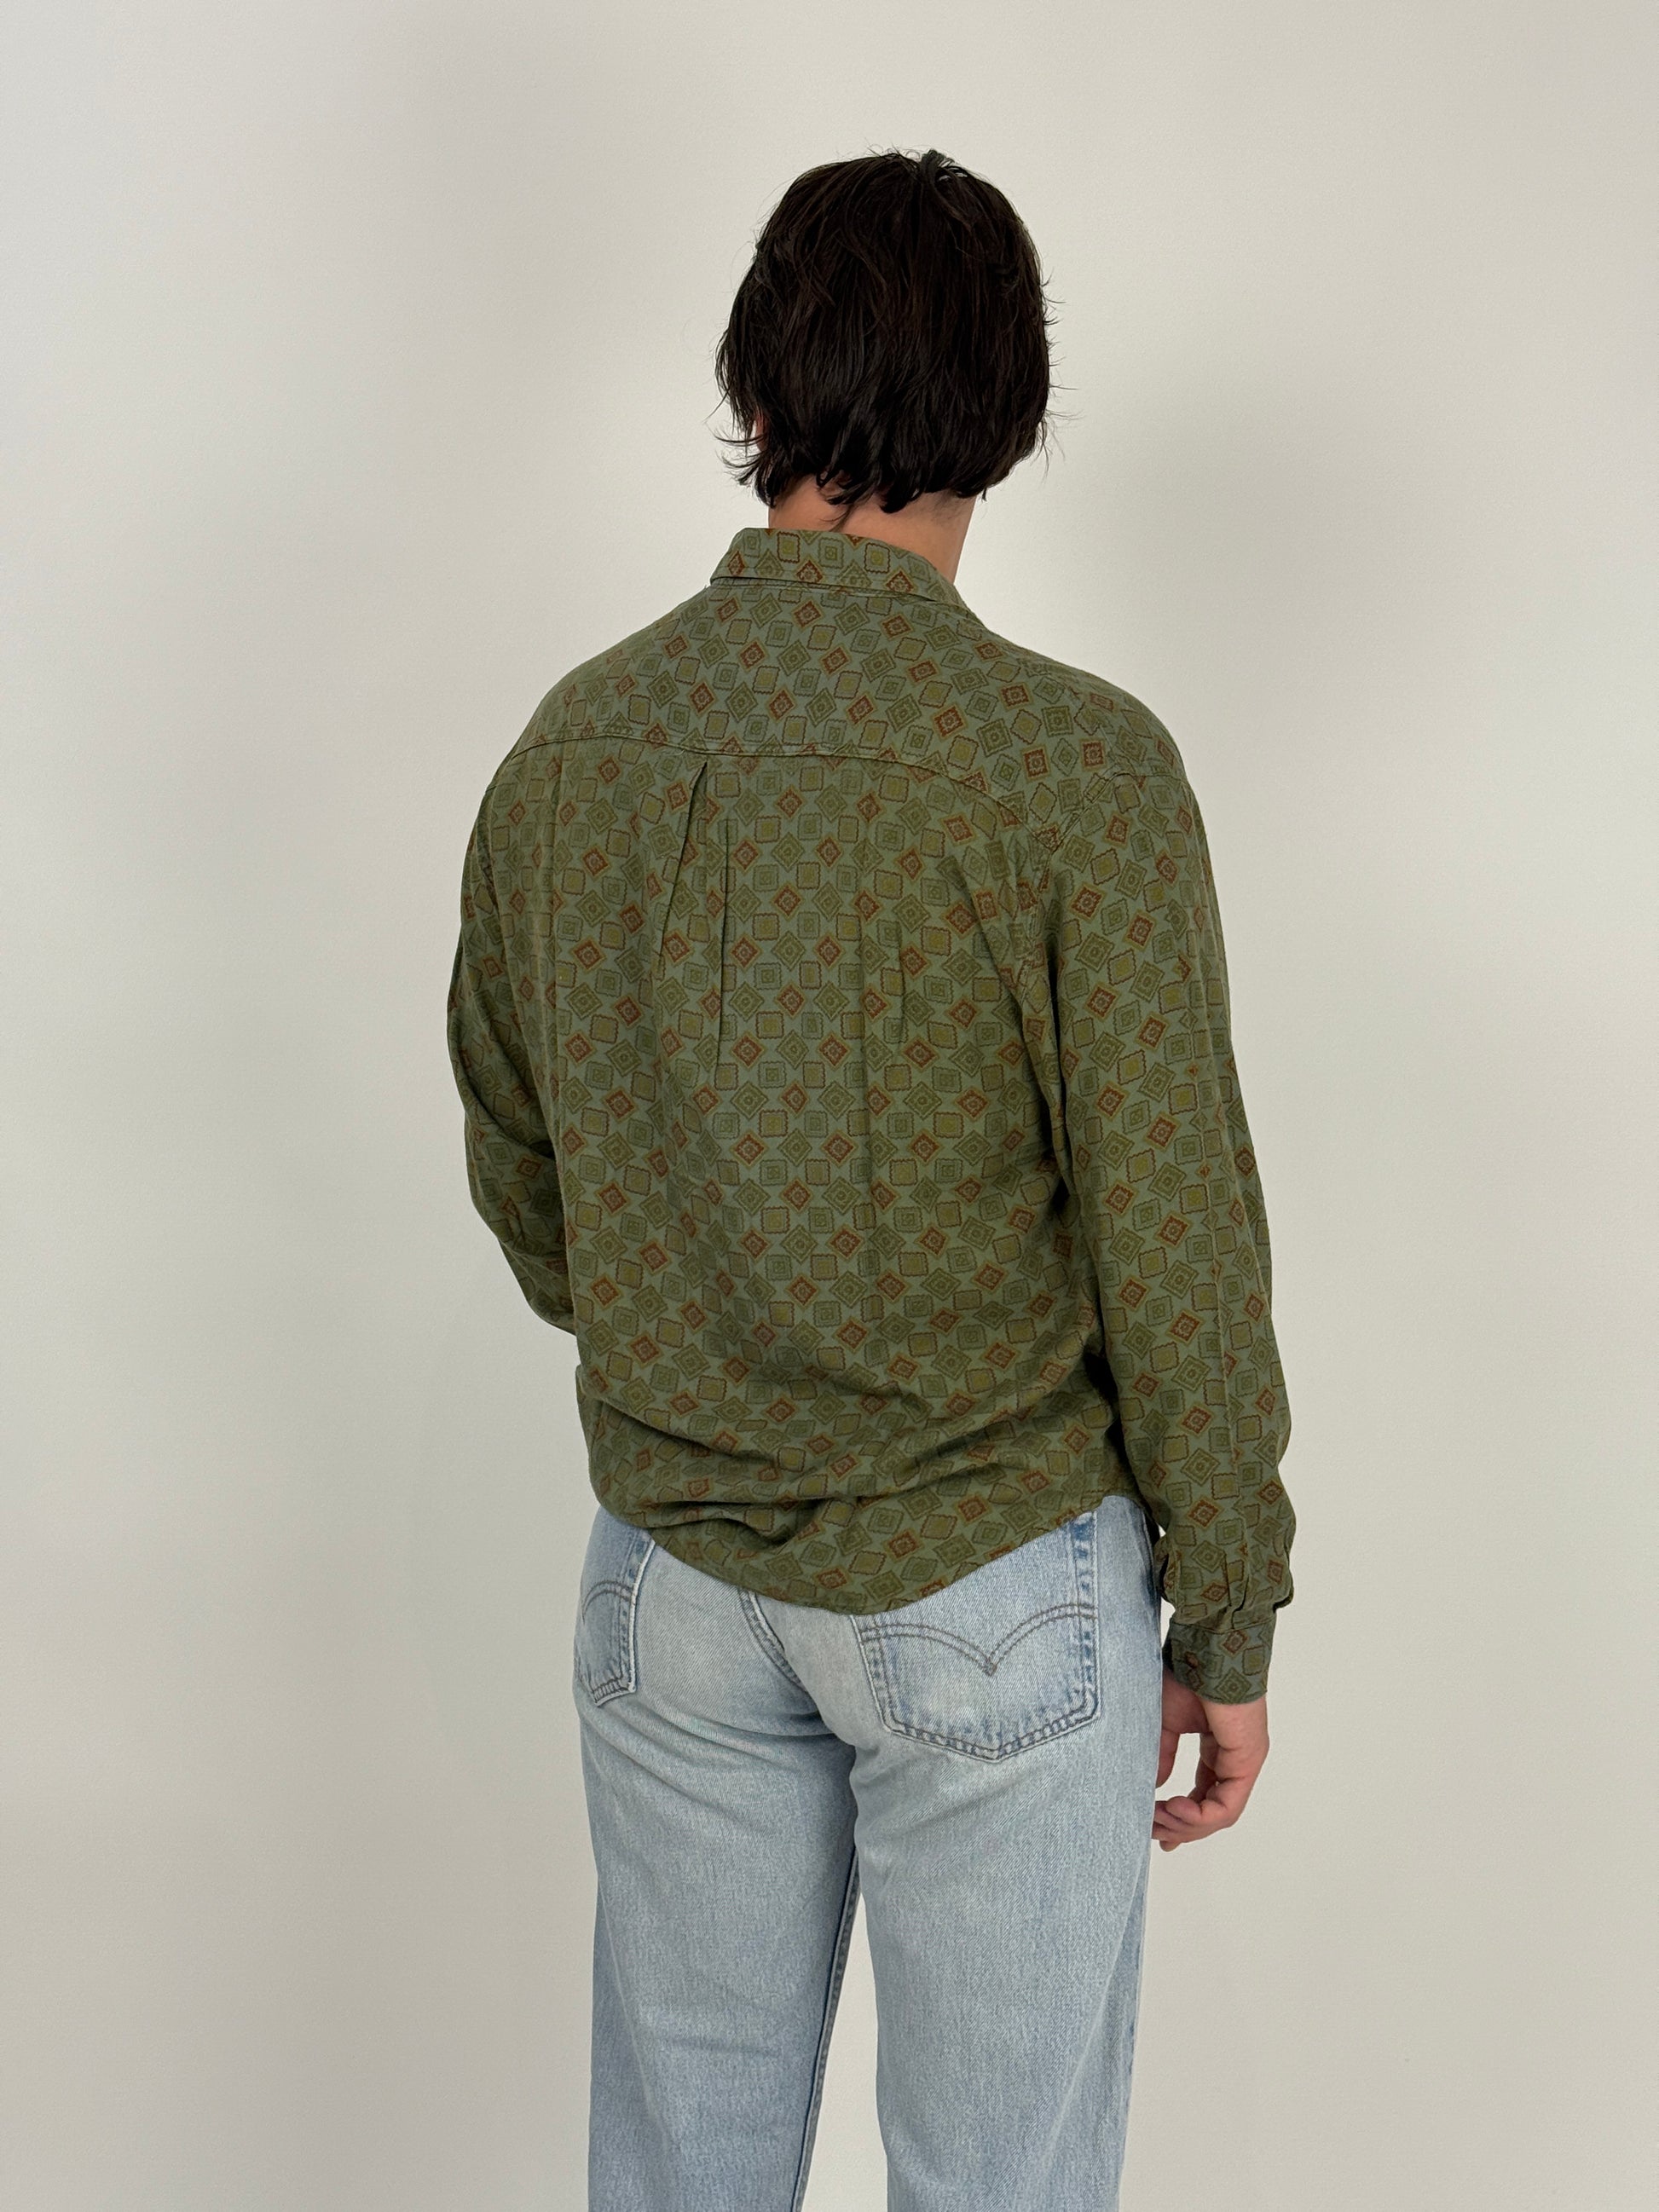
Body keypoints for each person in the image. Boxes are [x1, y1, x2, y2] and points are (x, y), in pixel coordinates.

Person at [447, 146, 1296, 2212]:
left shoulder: (574, 746)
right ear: (1005, 409)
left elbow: (517, 1149)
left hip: (672, 1581)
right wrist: (1231, 1607)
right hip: (991, 1574)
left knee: (680, 2176)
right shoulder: (1071, 765)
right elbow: (1174, 1238)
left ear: (754, 388)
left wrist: (697, 1326)